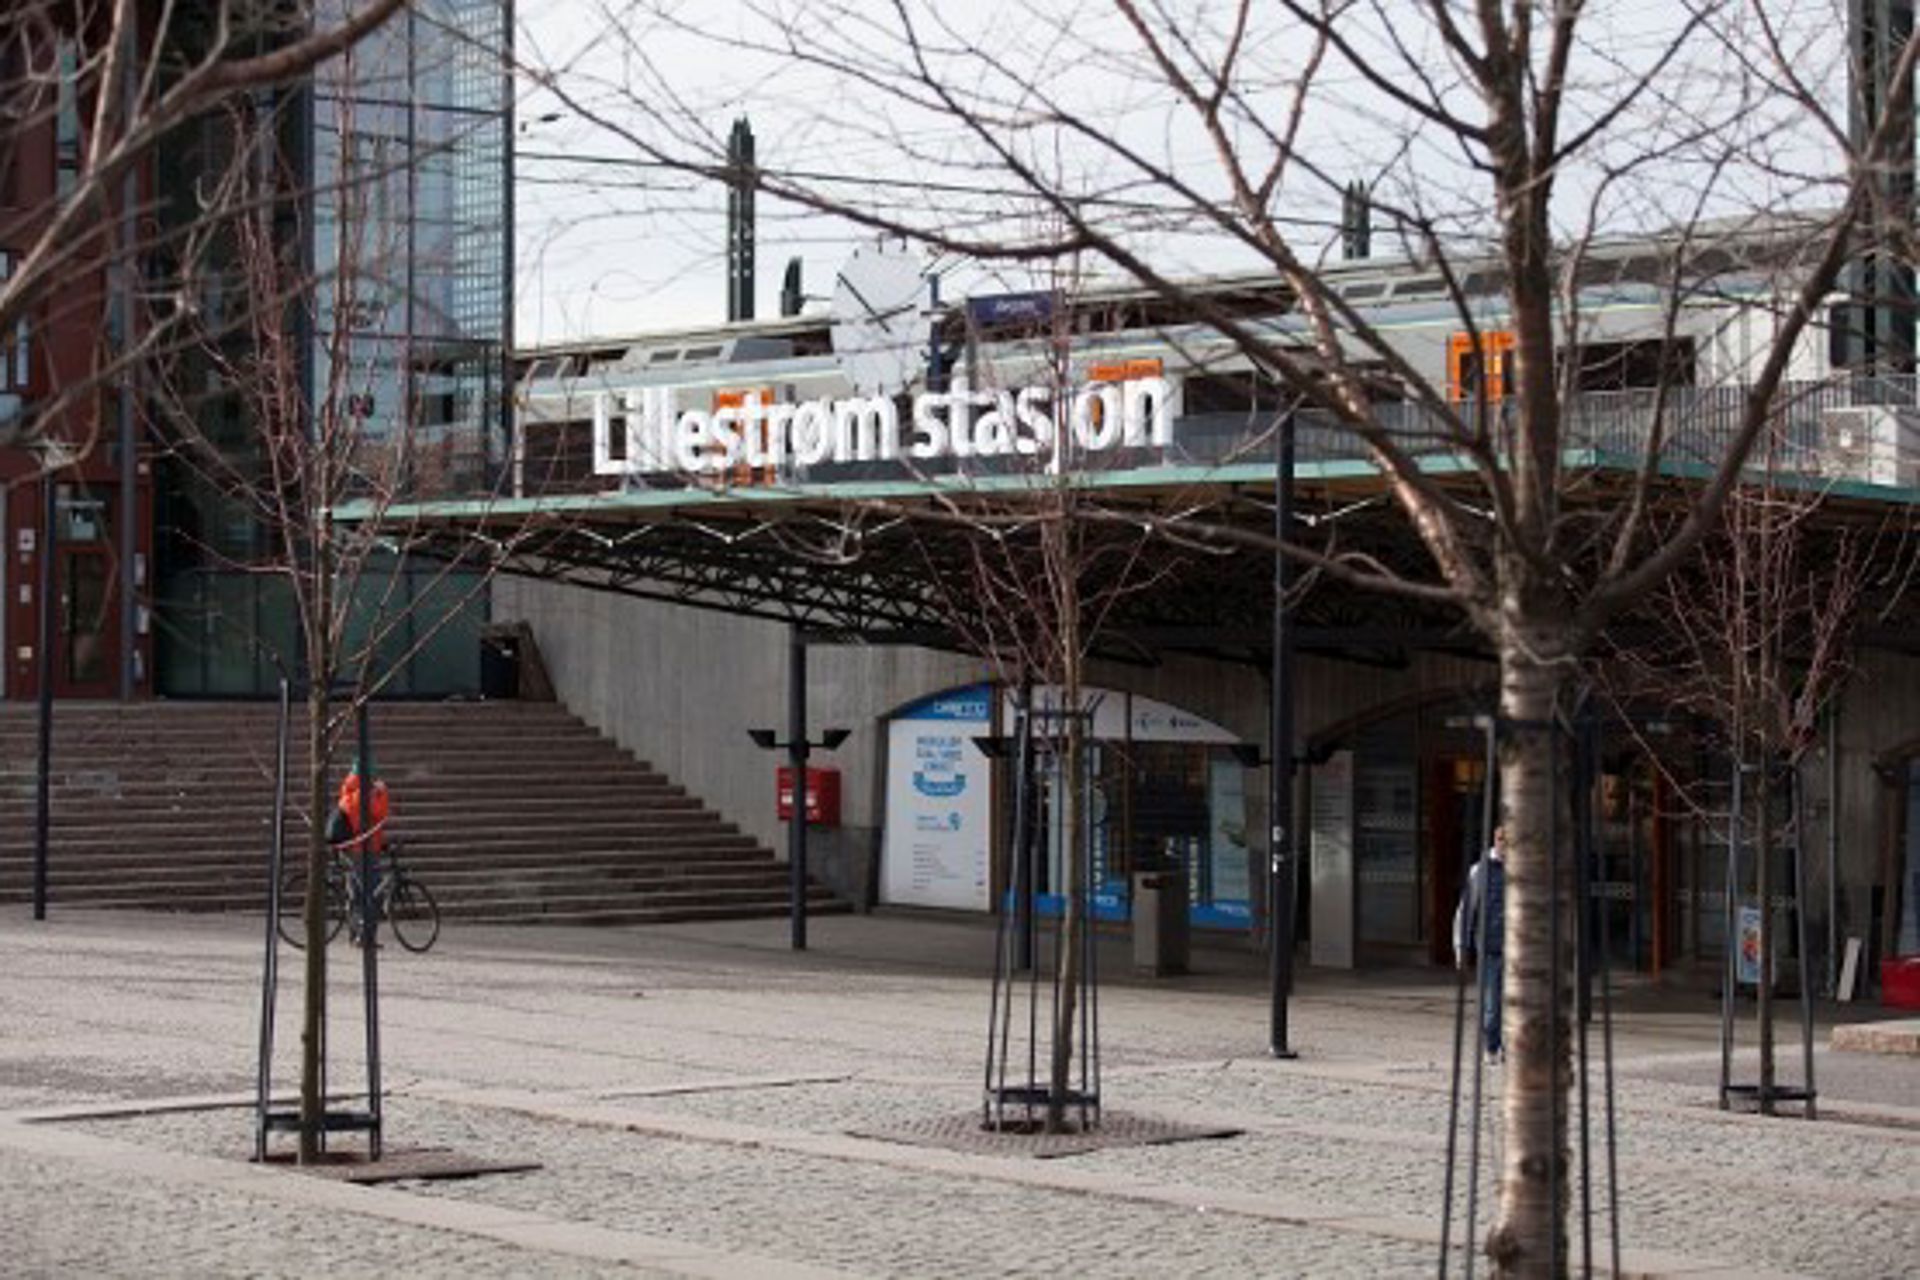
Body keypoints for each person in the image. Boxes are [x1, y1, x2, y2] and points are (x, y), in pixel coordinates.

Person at [1453, 824, 1507, 1061]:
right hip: (1490, 946)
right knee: (1492, 1002)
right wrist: (1461, 947)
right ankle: (1492, 1046)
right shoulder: (1479, 871)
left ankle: (1508, 1046)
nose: (1506, 845)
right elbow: (1466, 911)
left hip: (1516, 949)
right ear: (1496, 840)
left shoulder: (1522, 870)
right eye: (1502, 840)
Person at [327, 759, 390, 858]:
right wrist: (382, 793)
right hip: (364, 842)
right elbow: (379, 813)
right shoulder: (366, 791)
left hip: (353, 842)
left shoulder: (348, 788)